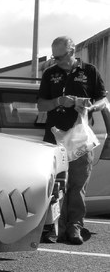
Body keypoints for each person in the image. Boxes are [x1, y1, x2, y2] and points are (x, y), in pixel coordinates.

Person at [38, 36, 109, 244]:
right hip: (55, 138)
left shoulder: (89, 71)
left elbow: (102, 99)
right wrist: (60, 101)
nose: (56, 60)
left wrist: (90, 106)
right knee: (54, 185)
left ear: (72, 51)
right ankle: (54, 228)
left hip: (80, 138)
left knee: (78, 185)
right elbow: (41, 105)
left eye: (60, 56)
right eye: (54, 56)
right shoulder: (50, 73)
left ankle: (74, 227)